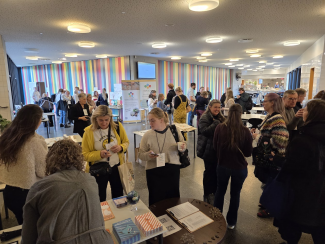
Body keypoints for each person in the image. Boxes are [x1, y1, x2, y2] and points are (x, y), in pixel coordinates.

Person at [21, 139, 114, 244]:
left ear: (50, 159)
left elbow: (28, 236)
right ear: (79, 159)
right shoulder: (90, 180)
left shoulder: (39, 187)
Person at [275, 99, 325, 244]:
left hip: (301, 193)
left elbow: (291, 168)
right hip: (322, 194)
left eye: (306, 109)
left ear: (311, 114)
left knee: (292, 228)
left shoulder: (302, 139)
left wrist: (278, 160)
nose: (303, 111)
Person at [0, 105, 47, 224]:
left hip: (9, 192)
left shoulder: (7, 136)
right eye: (40, 119)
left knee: (24, 226)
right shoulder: (34, 142)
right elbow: (43, 171)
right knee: (34, 230)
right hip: (28, 194)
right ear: (35, 120)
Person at [213, 104, 253, 229]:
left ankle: (216, 219)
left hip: (222, 165)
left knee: (220, 192)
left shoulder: (220, 128)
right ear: (241, 114)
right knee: (235, 194)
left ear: (228, 113)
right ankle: (231, 222)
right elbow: (247, 153)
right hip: (239, 168)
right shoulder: (245, 131)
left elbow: (215, 147)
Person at [251, 93, 289, 218]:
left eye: (265, 101)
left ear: (272, 103)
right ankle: (267, 202)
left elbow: (281, 140)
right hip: (267, 156)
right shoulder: (270, 116)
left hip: (272, 158)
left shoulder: (277, 118)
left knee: (272, 183)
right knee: (268, 182)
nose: (263, 103)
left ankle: (270, 208)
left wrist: (259, 138)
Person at [138, 108, 186, 206]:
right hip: (154, 171)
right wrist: (148, 155)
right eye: (149, 120)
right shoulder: (147, 135)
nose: (150, 123)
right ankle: (156, 220)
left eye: (152, 120)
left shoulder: (174, 130)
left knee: (173, 199)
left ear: (161, 120)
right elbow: (140, 155)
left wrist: (182, 147)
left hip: (172, 169)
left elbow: (183, 145)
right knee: (156, 199)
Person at [82, 106, 129, 202]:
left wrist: (121, 147)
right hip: (98, 170)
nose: (104, 123)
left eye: (107, 120)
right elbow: (84, 155)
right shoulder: (88, 132)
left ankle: (119, 216)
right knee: (99, 198)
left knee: (118, 195)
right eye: (101, 120)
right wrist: (99, 154)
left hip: (116, 167)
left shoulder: (117, 126)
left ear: (110, 118)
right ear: (95, 119)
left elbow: (126, 142)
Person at [197, 99, 225, 204]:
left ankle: (214, 192)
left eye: (219, 107)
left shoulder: (221, 117)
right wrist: (216, 124)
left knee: (216, 172)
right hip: (207, 150)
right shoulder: (205, 117)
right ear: (210, 107)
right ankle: (208, 194)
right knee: (209, 172)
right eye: (215, 107)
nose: (217, 109)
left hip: (217, 150)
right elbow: (204, 131)